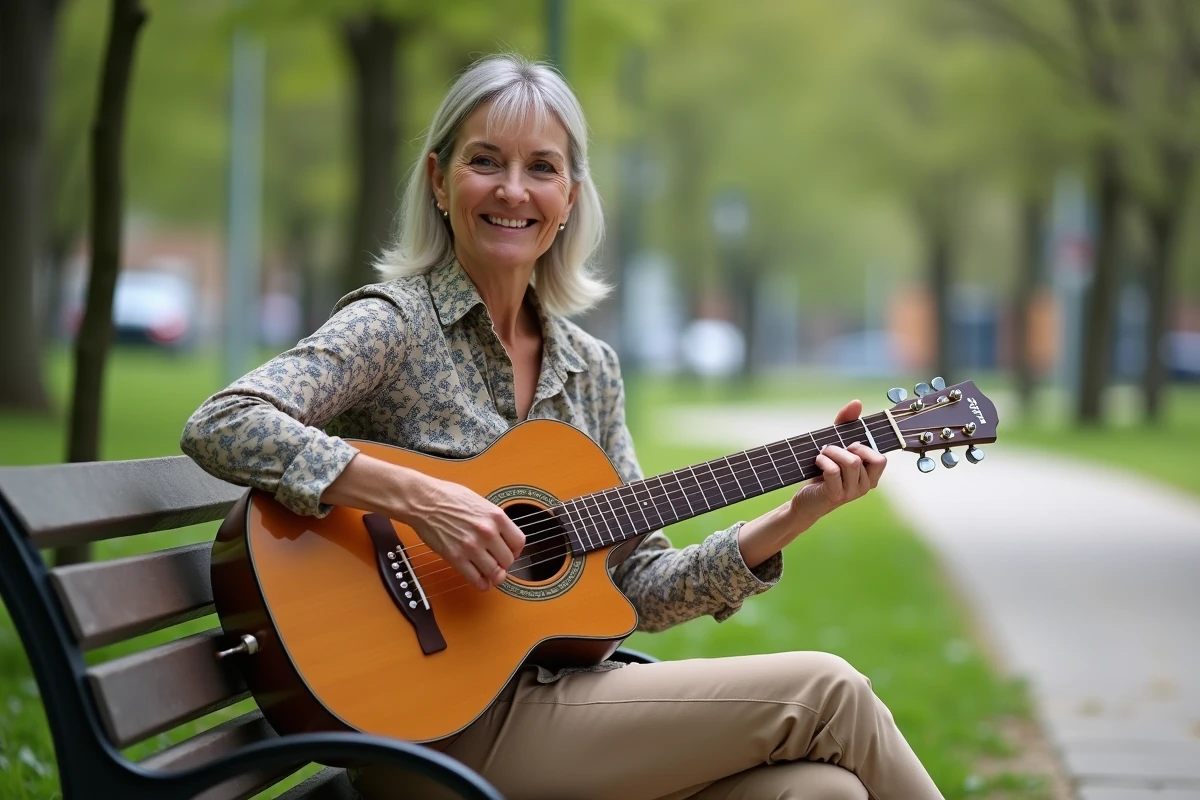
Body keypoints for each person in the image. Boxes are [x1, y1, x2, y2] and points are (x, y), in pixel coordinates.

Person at [181, 53, 943, 800]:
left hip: (562, 708)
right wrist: (422, 499)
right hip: (435, 731)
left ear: (571, 196)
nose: (513, 190)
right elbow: (226, 421)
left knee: (818, 791)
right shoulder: (395, 325)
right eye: (486, 161)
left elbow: (639, 588)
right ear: (440, 182)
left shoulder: (589, 367)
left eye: (542, 168)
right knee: (828, 691)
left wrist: (794, 515)